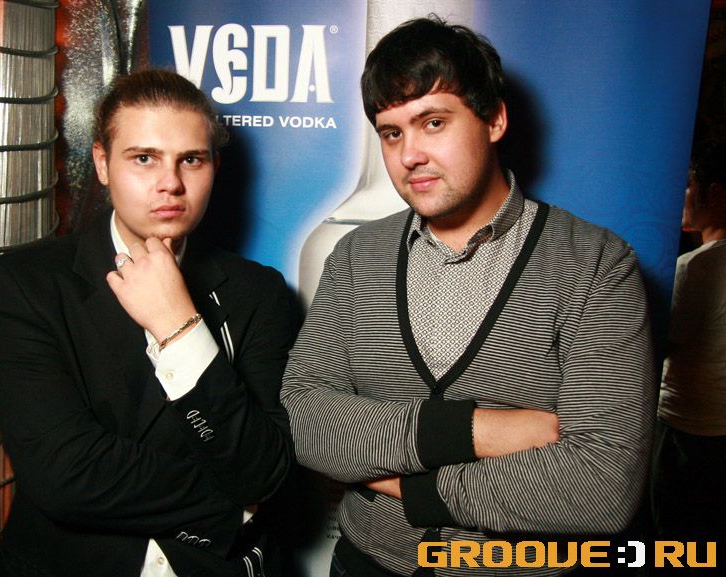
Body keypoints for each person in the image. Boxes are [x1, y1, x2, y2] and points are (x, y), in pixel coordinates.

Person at [281, 16, 655, 577]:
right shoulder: (358, 255)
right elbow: (303, 418)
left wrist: (406, 484)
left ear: (495, 119)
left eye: (433, 122)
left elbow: (603, 485)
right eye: (391, 133)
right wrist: (482, 430)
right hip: (367, 562)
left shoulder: (594, 263)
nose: (409, 155)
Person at [0, 69, 297, 577]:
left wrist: (178, 325)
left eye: (190, 160)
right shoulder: (28, 282)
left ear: (214, 167)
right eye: (144, 158)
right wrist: (233, 504)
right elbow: (66, 476)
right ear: (102, 163)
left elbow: (262, 467)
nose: (170, 183)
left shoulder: (257, 291)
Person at [651, 139, 726, 549]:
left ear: (713, 194)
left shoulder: (695, 267)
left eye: (689, 184)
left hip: (687, 428)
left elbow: (661, 342)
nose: (681, 194)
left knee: (674, 538)